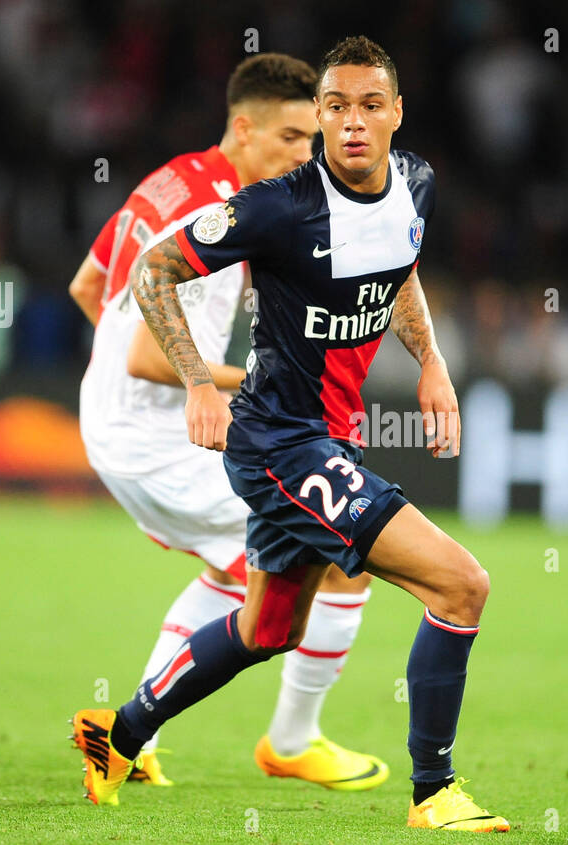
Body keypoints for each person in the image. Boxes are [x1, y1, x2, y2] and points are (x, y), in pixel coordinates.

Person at [73, 36, 508, 831]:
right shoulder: (277, 205)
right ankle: (433, 792)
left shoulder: (418, 184)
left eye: (370, 106)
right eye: (334, 108)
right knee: (460, 583)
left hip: (328, 439)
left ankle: (122, 732)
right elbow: (153, 271)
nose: (351, 124)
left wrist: (433, 362)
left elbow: (399, 269)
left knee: (268, 627)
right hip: (281, 445)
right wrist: (200, 384)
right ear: (319, 116)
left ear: (397, 114)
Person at [70, 53, 386, 795]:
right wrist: (267, 384)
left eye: (313, 141)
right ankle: (292, 740)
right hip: (157, 440)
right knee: (342, 551)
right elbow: (152, 359)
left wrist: (121, 374)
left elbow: (88, 285)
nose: (305, 157)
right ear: (242, 129)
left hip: (117, 426)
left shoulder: (172, 178)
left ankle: (125, 740)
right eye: (290, 138)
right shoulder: (210, 217)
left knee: (236, 564)